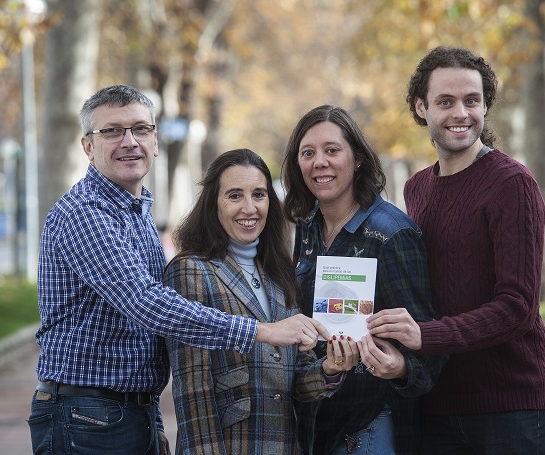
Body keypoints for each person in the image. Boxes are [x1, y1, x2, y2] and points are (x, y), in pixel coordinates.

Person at [28, 85, 330, 455]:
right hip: (87, 416)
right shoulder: (85, 214)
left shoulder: (135, 212)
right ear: (88, 147)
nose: (129, 141)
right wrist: (263, 331)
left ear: (155, 141)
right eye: (112, 131)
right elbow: (148, 304)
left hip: (132, 409)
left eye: (140, 129)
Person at [367, 46, 545, 454]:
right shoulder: (417, 188)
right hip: (436, 402)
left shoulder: (511, 184)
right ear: (421, 107)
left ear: (486, 106)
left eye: (472, 101)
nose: (461, 113)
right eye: (445, 102)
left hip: (509, 406)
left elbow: (517, 306)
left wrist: (426, 335)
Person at [163, 148, 359, 454]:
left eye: (258, 194)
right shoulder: (191, 270)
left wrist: (329, 369)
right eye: (235, 195)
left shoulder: (279, 274)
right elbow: (193, 389)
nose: (249, 208)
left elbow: (297, 380)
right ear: (214, 202)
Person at [281, 105, 446, 455]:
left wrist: (400, 366)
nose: (319, 162)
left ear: (357, 159)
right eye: (307, 153)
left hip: (368, 425)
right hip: (317, 421)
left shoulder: (391, 234)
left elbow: (428, 339)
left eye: (332, 151)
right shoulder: (307, 227)